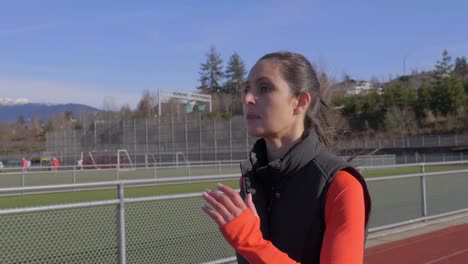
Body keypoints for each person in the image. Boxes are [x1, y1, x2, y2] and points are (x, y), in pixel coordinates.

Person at [202, 51, 371, 263]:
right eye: (246, 90)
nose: (247, 99)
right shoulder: (250, 182)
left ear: (300, 102)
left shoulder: (341, 184)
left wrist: (250, 241)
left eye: (264, 88)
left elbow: (254, 246)